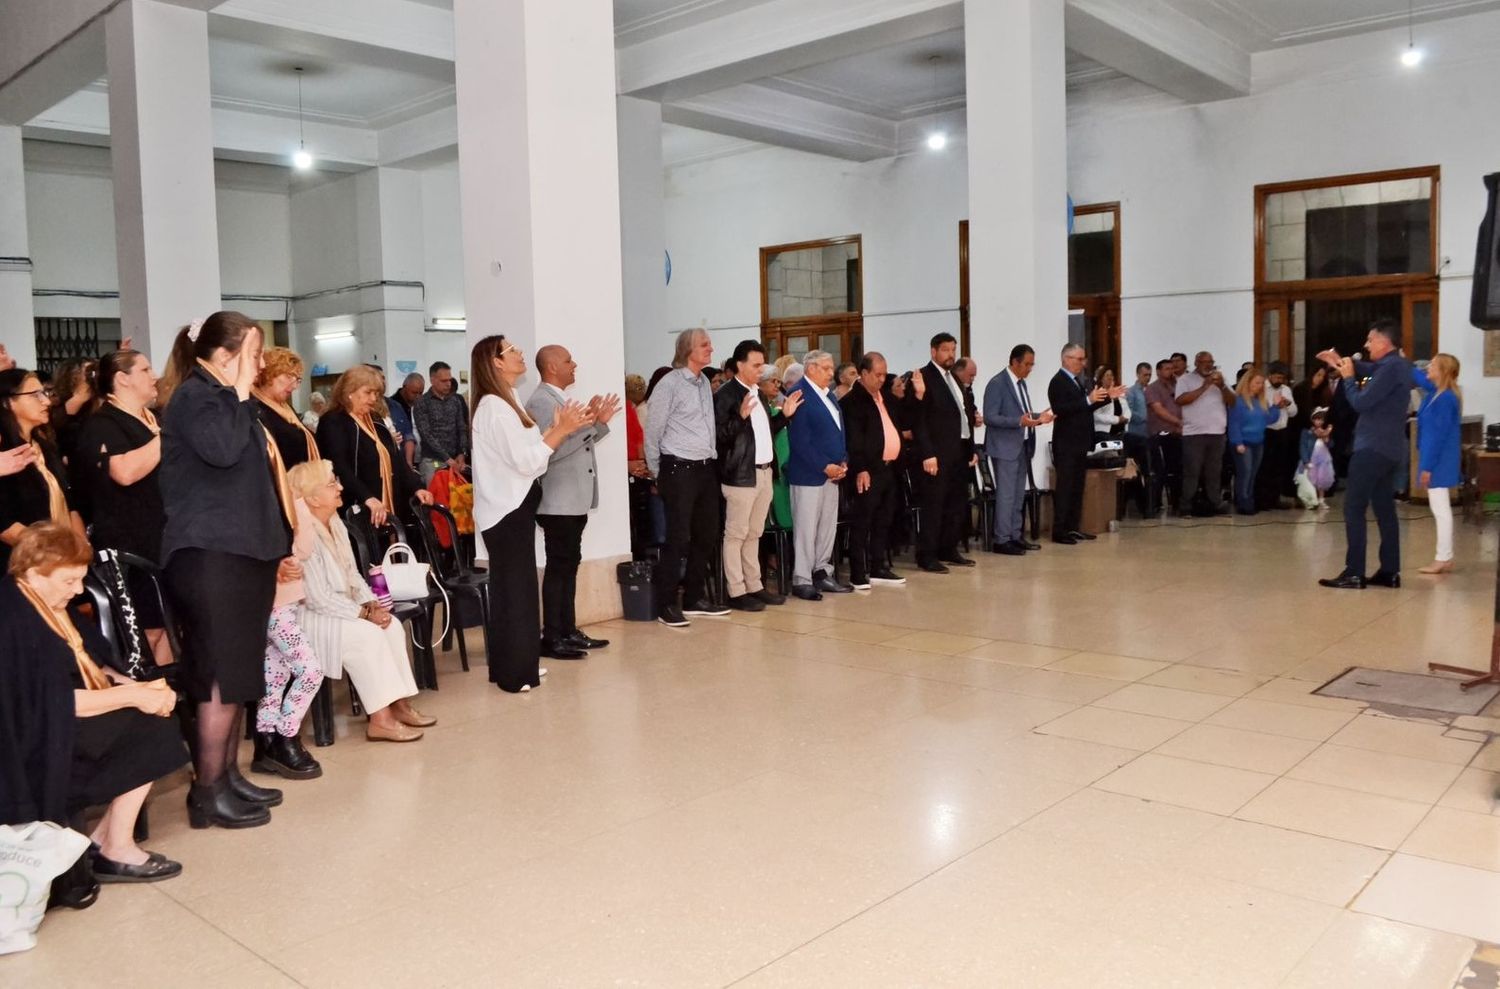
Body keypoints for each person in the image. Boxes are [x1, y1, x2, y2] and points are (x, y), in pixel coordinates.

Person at [156, 311, 290, 829]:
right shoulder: (197, 397)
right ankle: (206, 791)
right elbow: (223, 451)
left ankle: (227, 775)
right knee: (215, 674)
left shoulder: (224, 399)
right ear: (226, 355)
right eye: (254, 354)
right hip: (210, 553)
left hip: (241, 551)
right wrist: (237, 391)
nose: (260, 364)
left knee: (235, 672)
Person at [0, 522, 188, 889]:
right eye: (69, 580)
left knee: (155, 715)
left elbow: (95, 661)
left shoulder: (46, 602)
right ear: (35, 572)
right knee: (149, 728)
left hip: (64, 713)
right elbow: (54, 702)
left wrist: (139, 687)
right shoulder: (13, 618)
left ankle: (106, 840)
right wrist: (135, 696)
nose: (77, 590)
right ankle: (115, 846)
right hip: (35, 736)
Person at [471, 336, 593, 690]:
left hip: (516, 506)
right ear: (495, 362)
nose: (520, 353)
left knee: (517, 590)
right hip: (505, 510)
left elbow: (531, 457)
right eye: (511, 351)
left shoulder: (507, 400)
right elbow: (526, 461)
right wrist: (561, 431)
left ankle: (516, 663)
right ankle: (514, 673)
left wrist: (556, 429)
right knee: (515, 591)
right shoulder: (494, 406)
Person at [71, 350, 172, 667]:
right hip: (129, 549)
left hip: (161, 541)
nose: (154, 375)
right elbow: (125, 472)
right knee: (144, 633)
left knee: (168, 627)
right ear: (122, 379)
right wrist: (165, 436)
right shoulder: (104, 424)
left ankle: (169, 702)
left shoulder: (149, 419)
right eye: (145, 369)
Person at [524, 345, 620, 657]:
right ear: (552, 367)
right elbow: (548, 452)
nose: (574, 364)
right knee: (559, 567)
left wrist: (596, 422)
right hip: (557, 500)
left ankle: (567, 629)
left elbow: (575, 443)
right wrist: (589, 425)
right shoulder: (540, 401)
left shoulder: (558, 399)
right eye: (568, 360)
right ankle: (553, 636)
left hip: (572, 500)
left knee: (568, 566)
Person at [1316, 319, 1414, 590]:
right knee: (1384, 509)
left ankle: (1354, 572)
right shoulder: (1399, 365)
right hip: (1390, 449)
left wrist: (1347, 379)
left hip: (1372, 449)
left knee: (1353, 508)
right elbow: (1370, 368)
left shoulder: (1391, 367)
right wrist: (1339, 361)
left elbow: (1361, 402)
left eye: (1370, 340)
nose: (1366, 345)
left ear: (1384, 342)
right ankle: (1390, 571)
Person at [644, 329, 726, 627]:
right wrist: (658, 472)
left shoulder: (704, 381)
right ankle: (667, 604)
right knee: (677, 538)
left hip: (705, 468)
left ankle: (693, 598)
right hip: (678, 468)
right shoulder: (669, 384)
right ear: (687, 349)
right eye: (704, 345)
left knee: (707, 533)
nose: (710, 349)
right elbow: (653, 432)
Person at [714, 340, 800, 611]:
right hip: (740, 475)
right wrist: (739, 417)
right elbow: (719, 436)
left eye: (762, 364)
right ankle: (736, 590)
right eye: (756, 365)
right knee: (736, 534)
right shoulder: (726, 395)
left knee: (754, 533)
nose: (760, 369)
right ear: (739, 365)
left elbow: (764, 432)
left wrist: (784, 417)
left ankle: (755, 585)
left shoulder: (759, 393)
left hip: (764, 473)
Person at [317, 365, 432, 527]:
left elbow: (396, 460)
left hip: (387, 504)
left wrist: (416, 487)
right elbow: (339, 467)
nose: (373, 399)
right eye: (368, 393)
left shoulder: (375, 420)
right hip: (358, 507)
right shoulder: (333, 421)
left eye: (376, 394)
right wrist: (367, 497)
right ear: (349, 391)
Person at [0, 368, 85, 573]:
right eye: (34, 395)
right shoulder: (4, 454)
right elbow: (5, 525)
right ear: (8, 402)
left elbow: (69, 502)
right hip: (24, 564)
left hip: (61, 560)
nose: (46, 401)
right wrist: (52, 554)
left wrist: (80, 546)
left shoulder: (44, 446)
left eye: (45, 393)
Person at [786, 350, 849, 599]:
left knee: (826, 527)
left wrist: (843, 459)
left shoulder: (829, 396)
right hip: (809, 473)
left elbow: (838, 432)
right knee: (806, 528)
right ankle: (802, 578)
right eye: (826, 368)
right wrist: (824, 465)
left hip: (832, 473)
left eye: (831, 367)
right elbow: (800, 441)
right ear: (810, 369)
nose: (831, 373)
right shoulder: (799, 393)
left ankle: (822, 572)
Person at [842, 351, 908, 587]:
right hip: (867, 470)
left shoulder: (887, 398)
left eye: (884, 374)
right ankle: (858, 572)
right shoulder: (852, 402)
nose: (882, 379)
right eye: (877, 375)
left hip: (889, 469)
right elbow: (854, 439)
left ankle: (878, 566)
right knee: (863, 521)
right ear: (864, 373)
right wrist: (860, 468)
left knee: (884, 519)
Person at [909, 332, 973, 573]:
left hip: (958, 451)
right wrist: (927, 453)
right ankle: (927, 554)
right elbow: (919, 420)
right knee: (934, 505)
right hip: (936, 453)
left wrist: (970, 448)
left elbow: (962, 413)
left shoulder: (954, 378)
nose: (950, 354)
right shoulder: (923, 377)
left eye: (953, 350)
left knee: (955, 504)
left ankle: (948, 548)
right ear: (933, 351)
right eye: (946, 350)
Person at [983, 344, 1053, 555]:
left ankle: (1015, 535)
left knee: (1017, 494)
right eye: (1027, 364)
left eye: (1032, 365)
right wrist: (1019, 422)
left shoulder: (1021, 384)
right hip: (1004, 447)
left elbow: (1023, 414)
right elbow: (990, 417)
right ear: (1014, 362)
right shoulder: (997, 384)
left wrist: (1039, 417)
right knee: (1006, 495)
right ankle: (1002, 539)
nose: (1030, 369)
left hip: (1021, 445)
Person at [1048, 344, 1117, 544]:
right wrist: (1088, 400)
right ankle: (1059, 531)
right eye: (1079, 359)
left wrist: (1106, 397)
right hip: (1066, 443)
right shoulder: (1058, 382)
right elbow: (1062, 409)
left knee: (1078, 487)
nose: (1083, 363)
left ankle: (1072, 527)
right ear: (1066, 359)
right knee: (1065, 488)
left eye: (1083, 359)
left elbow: (1087, 407)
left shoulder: (1080, 381)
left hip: (1080, 442)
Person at [1412, 354, 1462, 575]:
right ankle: (1445, 556)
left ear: (1442, 371)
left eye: (1432, 365)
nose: (1427, 368)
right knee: (1440, 507)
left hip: (1439, 459)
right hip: (1436, 457)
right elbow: (1420, 379)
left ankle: (1443, 557)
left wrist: (1428, 467)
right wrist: (1402, 361)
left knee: (1440, 509)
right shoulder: (1436, 392)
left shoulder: (1445, 399)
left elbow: (1437, 436)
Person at [1175, 350, 1233, 515]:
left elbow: (1233, 401)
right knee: (1192, 471)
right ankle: (1186, 505)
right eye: (1205, 362)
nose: (1209, 365)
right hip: (1194, 434)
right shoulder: (1185, 380)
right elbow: (1180, 400)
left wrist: (1221, 386)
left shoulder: (1220, 379)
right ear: (1196, 363)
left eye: (1211, 362)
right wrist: (1205, 386)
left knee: (1214, 471)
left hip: (1217, 433)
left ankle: (1215, 502)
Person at [251, 347, 320, 469]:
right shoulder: (254, 407)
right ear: (269, 374)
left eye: (297, 379)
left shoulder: (286, 408)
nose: (294, 386)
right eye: (289, 377)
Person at [1228, 367, 1280, 515]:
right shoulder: (1237, 401)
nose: (1260, 386)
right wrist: (1238, 442)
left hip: (1258, 442)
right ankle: (1243, 502)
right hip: (1243, 442)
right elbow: (1234, 423)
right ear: (1248, 382)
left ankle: (1249, 500)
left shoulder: (1260, 402)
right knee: (1245, 472)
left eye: (1262, 383)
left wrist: (1276, 406)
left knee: (1253, 474)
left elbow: (1270, 419)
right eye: (1257, 382)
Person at [412, 361, 469, 484]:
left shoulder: (455, 400)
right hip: (433, 461)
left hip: (456, 460)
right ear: (432, 380)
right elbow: (426, 435)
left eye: (449, 380)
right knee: (435, 500)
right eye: (444, 381)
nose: (448, 384)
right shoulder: (422, 403)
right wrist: (447, 459)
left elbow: (461, 427)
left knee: (458, 500)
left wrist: (461, 453)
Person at [1256, 362, 1298, 511]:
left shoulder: (1286, 389)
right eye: (1277, 377)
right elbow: (1260, 411)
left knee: (1279, 467)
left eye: (1282, 378)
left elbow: (1294, 412)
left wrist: (1287, 404)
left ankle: (1275, 499)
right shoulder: (1262, 388)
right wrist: (1274, 406)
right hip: (1267, 431)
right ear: (1270, 375)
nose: (1280, 380)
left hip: (1282, 431)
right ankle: (1262, 500)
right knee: (1265, 467)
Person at [1144, 358, 1183, 516]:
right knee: (1161, 470)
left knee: (1177, 469)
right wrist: (1178, 421)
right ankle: (1155, 504)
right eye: (1166, 368)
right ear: (1159, 371)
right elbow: (1158, 410)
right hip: (1160, 434)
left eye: (1171, 368)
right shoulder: (1153, 389)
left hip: (1177, 434)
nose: (1170, 371)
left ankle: (1177, 503)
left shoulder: (1177, 386)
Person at [48, 358, 97, 463]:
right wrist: (80, 396)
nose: (92, 376)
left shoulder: (95, 403)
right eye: (88, 372)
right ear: (71, 376)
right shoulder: (54, 407)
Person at [1297, 409, 1335, 510]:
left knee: (1321, 480)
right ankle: (1311, 499)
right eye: (1317, 419)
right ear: (1312, 419)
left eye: (1321, 420)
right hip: (1311, 459)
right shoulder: (1307, 432)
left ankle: (1321, 500)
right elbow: (1303, 446)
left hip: (1323, 460)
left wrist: (1327, 439)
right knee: (1310, 479)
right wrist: (1305, 460)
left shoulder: (1324, 431)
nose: (1319, 422)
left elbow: (1331, 445)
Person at [389, 372, 425, 467]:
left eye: (420, 393)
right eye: (414, 392)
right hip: (400, 458)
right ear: (404, 387)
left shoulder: (423, 405)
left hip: (421, 458)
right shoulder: (392, 406)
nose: (417, 396)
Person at [1091, 367, 1129, 445]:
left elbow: (1127, 410)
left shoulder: (1117, 392)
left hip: (1120, 431)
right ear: (1101, 379)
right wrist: (1116, 419)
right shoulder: (1098, 393)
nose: (1109, 377)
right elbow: (1096, 415)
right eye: (1107, 375)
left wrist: (1126, 418)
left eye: (1111, 375)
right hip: (1103, 433)